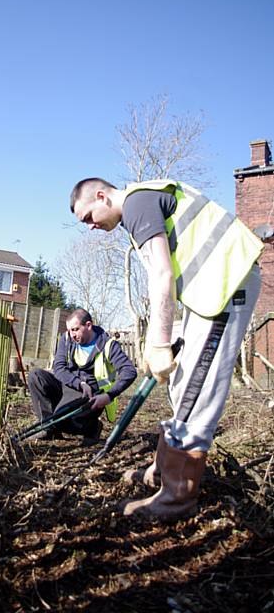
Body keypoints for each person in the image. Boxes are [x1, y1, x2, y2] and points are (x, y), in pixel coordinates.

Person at [70, 177, 263, 519]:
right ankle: (161, 474)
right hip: (210, 291)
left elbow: (162, 274)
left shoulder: (136, 205)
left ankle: (177, 497)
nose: (91, 226)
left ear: (101, 195)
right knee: (181, 384)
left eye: (88, 217)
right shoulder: (143, 202)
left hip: (225, 286)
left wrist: (158, 343)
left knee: (195, 392)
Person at [28, 308, 137, 446]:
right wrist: (79, 383)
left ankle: (92, 428)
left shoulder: (108, 345)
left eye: (75, 329)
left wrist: (109, 396)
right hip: (71, 384)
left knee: (61, 418)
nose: (72, 334)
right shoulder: (67, 339)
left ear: (89, 325)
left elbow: (129, 371)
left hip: (90, 393)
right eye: (70, 330)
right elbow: (59, 367)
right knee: (35, 376)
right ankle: (48, 428)